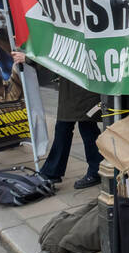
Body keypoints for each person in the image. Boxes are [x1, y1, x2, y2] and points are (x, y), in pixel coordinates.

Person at [13, 50, 102, 189]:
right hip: (77, 84)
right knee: (82, 127)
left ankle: (54, 172)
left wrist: (30, 59)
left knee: (73, 127)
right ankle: (94, 169)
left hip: (80, 86)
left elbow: (58, 54)